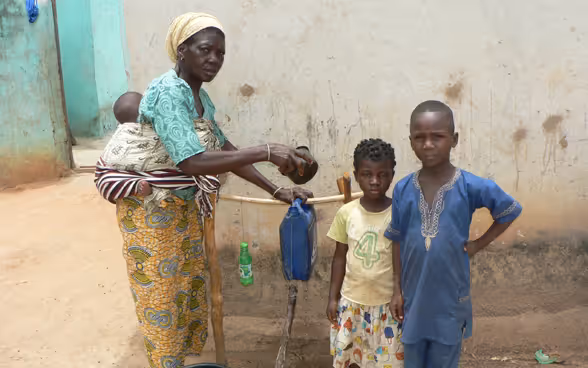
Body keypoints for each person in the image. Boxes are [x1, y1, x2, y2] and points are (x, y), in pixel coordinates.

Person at [107, 13, 314, 368]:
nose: (214, 59)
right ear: (182, 50)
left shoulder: (201, 99)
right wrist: (266, 150)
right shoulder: (169, 92)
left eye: (220, 53)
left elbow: (227, 154)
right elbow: (192, 161)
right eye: (205, 50)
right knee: (162, 298)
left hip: (183, 211)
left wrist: (275, 189)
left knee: (186, 292)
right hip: (152, 214)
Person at [384, 101, 522, 368]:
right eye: (419, 138)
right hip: (413, 300)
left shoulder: (469, 185)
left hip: (449, 301)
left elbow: (509, 210)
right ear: (411, 141)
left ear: (454, 140)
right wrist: (396, 290)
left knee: (445, 359)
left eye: (437, 136)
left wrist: (477, 245)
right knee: (412, 359)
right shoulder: (403, 189)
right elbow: (398, 239)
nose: (428, 144)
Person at [327, 138, 405, 368]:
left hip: (387, 306)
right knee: (352, 359)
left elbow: (401, 258)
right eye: (367, 174)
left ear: (392, 175)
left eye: (382, 175)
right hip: (352, 304)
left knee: (386, 361)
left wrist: (399, 293)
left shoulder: (398, 214)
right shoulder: (346, 213)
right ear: (357, 175)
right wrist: (333, 297)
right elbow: (340, 257)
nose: (374, 181)